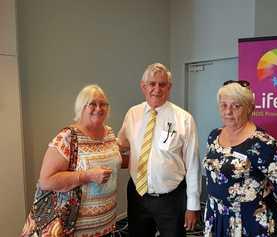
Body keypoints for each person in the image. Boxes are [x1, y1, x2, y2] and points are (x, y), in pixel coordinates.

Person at [203, 80, 277, 237]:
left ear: (249, 109)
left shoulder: (264, 143)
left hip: (250, 222)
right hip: (216, 217)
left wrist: (256, 200)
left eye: (236, 106)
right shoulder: (214, 136)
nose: (228, 111)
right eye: (223, 105)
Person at [117, 63, 201, 237]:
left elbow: (193, 164)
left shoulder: (184, 119)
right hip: (138, 195)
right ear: (143, 87)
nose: (156, 89)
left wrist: (193, 206)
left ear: (169, 88)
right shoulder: (133, 114)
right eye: (152, 84)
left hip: (171, 199)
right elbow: (121, 145)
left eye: (162, 84)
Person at [34, 85, 122, 236]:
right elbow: (46, 181)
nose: (98, 108)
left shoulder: (109, 133)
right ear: (81, 107)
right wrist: (87, 176)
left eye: (103, 104)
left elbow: (115, 161)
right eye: (92, 104)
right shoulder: (68, 137)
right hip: (74, 227)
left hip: (107, 222)